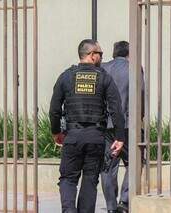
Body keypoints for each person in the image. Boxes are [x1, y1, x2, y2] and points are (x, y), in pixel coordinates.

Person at [49, 39, 125, 213]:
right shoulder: (104, 77)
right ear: (92, 55)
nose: (101, 57)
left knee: (68, 178)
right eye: (100, 54)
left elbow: (54, 109)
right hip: (95, 137)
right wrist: (120, 138)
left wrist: (56, 132)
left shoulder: (66, 76)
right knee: (90, 179)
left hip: (73, 136)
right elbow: (116, 110)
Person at [101, 41, 142, 213]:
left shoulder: (103, 68)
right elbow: (141, 95)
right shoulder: (134, 68)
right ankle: (124, 202)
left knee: (108, 165)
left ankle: (111, 206)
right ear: (129, 53)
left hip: (106, 124)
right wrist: (140, 117)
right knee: (135, 162)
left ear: (113, 52)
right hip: (128, 124)